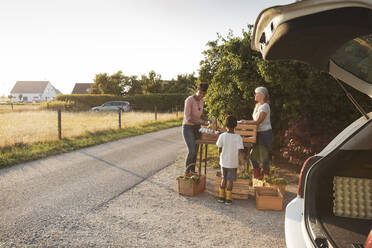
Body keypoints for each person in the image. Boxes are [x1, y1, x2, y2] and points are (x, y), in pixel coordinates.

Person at [241, 86, 273, 179]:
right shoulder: (257, 106)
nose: (254, 95)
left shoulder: (265, 106)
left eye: (256, 93)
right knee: (253, 156)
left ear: (262, 95)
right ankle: (257, 177)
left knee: (264, 157)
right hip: (257, 133)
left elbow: (258, 121)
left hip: (265, 134)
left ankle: (266, 179)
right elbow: (255, 122)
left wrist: (245, 122)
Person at [216, 115, 245, 205]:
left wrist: (220, 157)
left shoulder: (222, 136)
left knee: (223, 178)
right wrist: (242, 163)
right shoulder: (238, 138)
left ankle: (221, 197)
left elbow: (219, 149)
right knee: (230, 180)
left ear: (226, 125)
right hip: (233, 163)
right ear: (236, 125)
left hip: (223, 162)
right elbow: (240, 152)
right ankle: (228, 199)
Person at [182, 83, 209, 173]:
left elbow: (201, 115)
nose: (201, 95)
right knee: (192, 151)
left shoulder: (202, 101)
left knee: (196, 152)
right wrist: (202, 122)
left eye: (204, 94)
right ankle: (187, 172)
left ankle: (192, 172)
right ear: (197, 89)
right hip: (188, 128)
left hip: (197, 128)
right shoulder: (189, 100)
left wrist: (208, 120)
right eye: (200, 93)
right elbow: (188, 118)